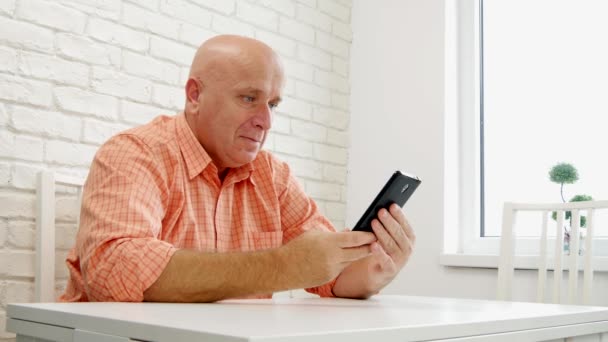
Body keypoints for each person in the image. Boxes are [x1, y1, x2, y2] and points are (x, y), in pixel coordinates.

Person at [60, 35, 415, 303]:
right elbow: (114, 270)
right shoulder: (135, 153)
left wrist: (374, 271)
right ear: (195, 95)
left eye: (273, 104)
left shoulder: (273, 176)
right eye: (249, 98)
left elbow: (328, 273)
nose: (266, 122)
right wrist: (281, 266)